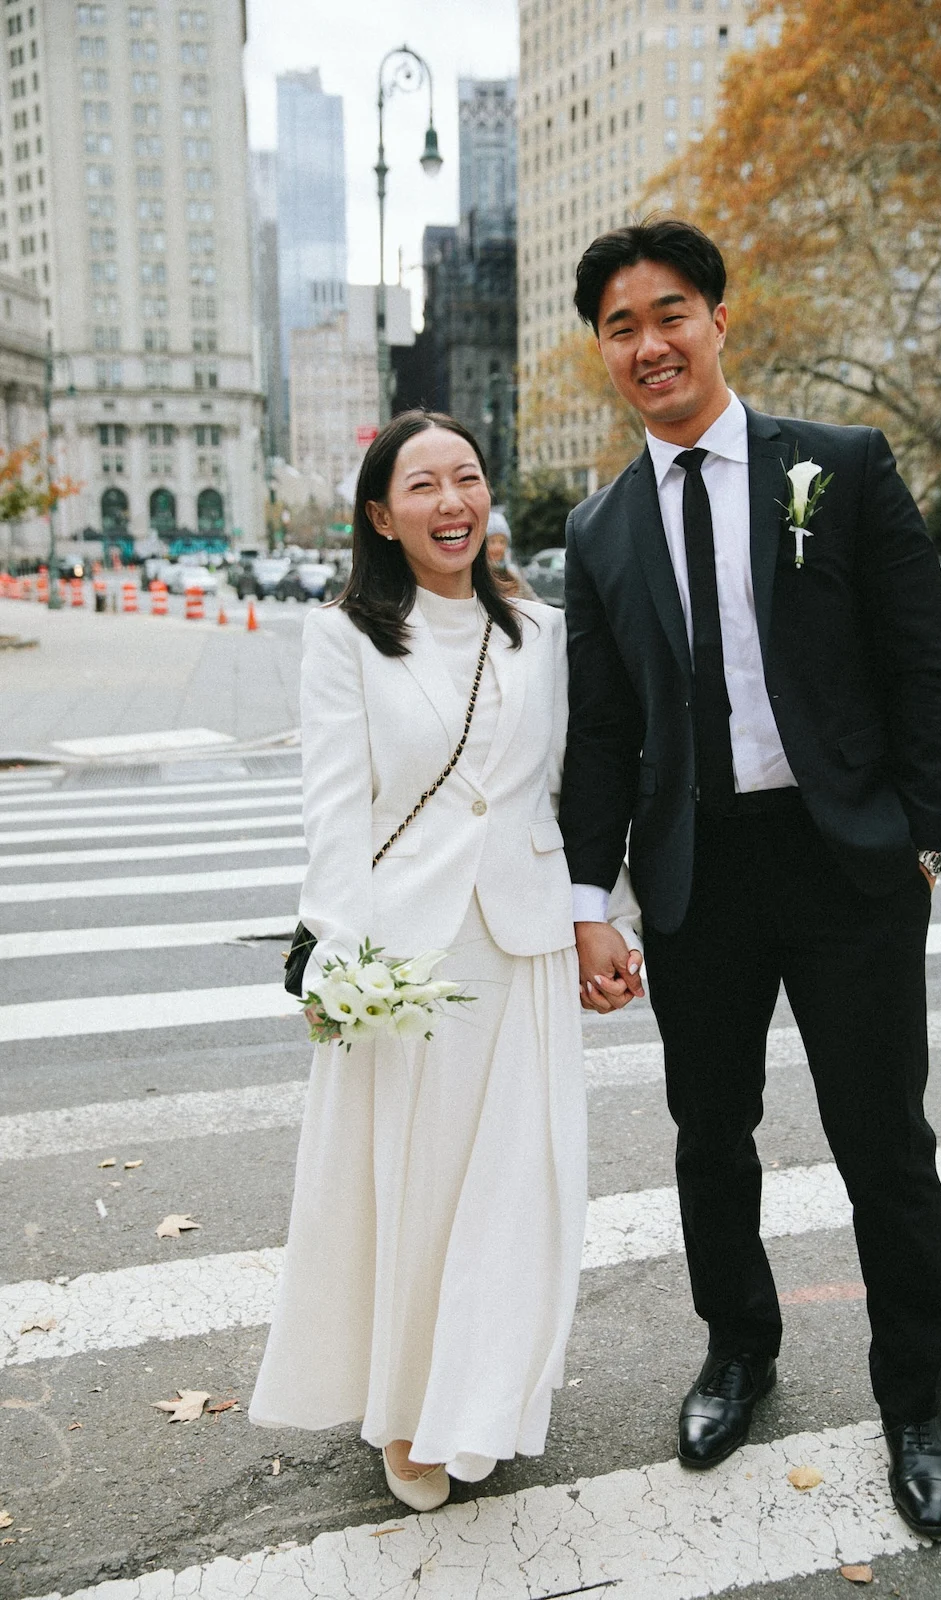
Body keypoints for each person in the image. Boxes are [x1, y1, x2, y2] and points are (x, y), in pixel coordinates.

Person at [558, 220, 941, 1539]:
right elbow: (604, 734)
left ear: (719, 323)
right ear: (605, 354)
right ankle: (738, 1353)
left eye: (668, 313)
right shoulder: (602, 527)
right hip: (697, 875)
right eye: (619, 327)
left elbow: (918, 661)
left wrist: (924, 834)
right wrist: (587, 902)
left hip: (844, 860)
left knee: (880, 1144)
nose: (648, 344)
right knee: (707, 1135)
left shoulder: (834, 467)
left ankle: (914, 1399)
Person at [249, 410, 637, 1510]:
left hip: (520, 942)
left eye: (466, 477)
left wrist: (597, 914)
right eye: (423, 484)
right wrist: (342, 951)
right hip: (405, 957)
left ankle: (486, 1395)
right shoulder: (346, 637)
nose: (451, 501)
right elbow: (334, 808)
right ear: (381, 513)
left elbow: (579, 786)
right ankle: (413, 1406)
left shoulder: (545, 631)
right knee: (412, 1192)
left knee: (521, 1183)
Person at [486, 509, 536, 599]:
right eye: (492, 542)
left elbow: (530, 596)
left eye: (502, 542)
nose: (498, 547)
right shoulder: (480, 572)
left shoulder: (513, 571)